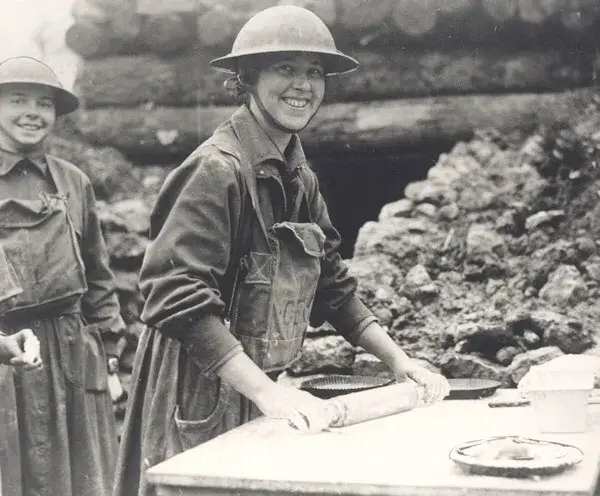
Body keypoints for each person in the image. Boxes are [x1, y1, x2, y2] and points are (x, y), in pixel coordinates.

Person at [114, 6, 450, 496]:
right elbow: (176, 297)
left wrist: (400, 362)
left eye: (314, 72)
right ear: (248, 79)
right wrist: (266, 392)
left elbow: (331, 284)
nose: (303, 85)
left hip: (257, 384)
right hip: (195, 379)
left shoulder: (299, 175)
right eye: (285, 68)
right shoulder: (216, 169)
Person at [0, 56, 125, 496]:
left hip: (73, 353)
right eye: (18, 100)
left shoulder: (74, 182)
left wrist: (109, 355)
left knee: (84, 480)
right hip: (6, 355)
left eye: (44, 103)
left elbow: (98, 275)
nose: (32, 113)